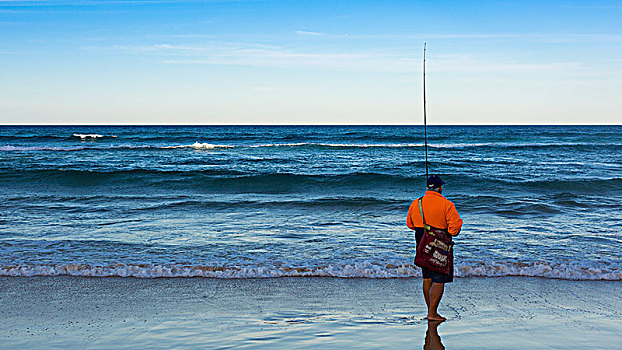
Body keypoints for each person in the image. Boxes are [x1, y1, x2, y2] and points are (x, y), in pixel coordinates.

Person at [406, 175, 463, 321]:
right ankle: (432, 313)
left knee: (427, 277)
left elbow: (410, 224)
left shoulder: (416, 203)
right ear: (440, 188)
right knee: (439, 278)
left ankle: (430, 311)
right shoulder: (447, 204)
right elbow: (454, 230)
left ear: (427, 187)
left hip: (422, 242)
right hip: (440, 245)